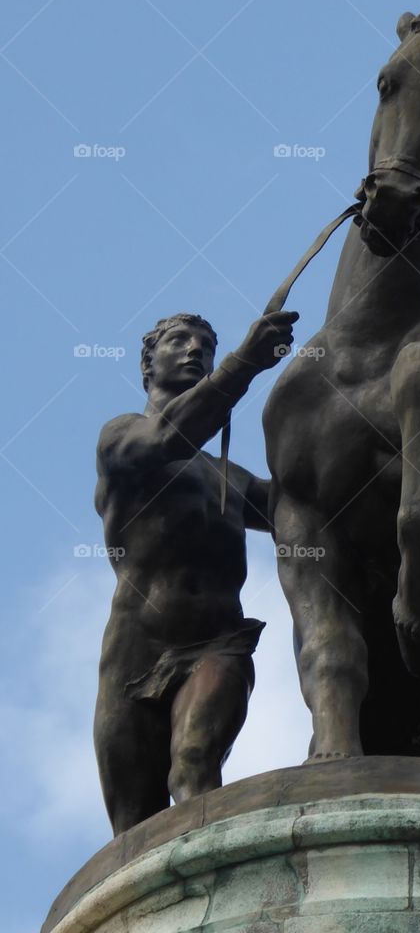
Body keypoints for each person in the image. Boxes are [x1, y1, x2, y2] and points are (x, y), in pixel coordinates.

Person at [93, 308, 297, 834]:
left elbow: (311, 508)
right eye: (180, 341)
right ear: (148, 365)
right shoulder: (121, 437)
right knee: (133, 831)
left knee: (194, 764)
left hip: (217, 643)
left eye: (205, 345)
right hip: (134, 655)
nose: (195, 350)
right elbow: (169, 439)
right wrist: (245, 363)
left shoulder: (233, 479)